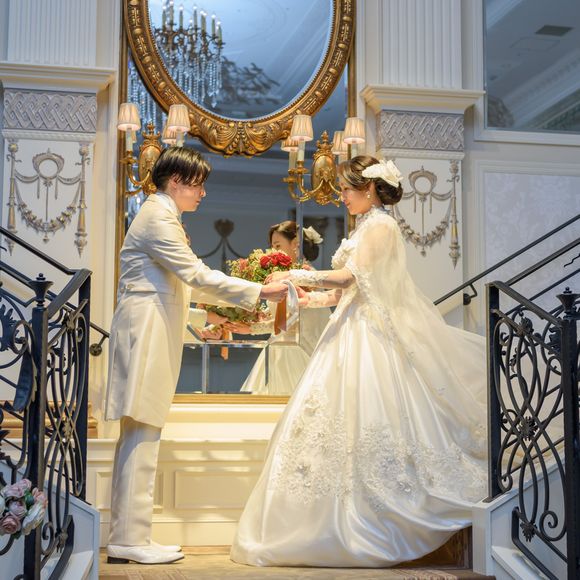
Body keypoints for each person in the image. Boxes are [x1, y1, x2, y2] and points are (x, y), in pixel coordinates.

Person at [230, 156, 488, 567]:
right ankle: (320, 523)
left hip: (369, 334)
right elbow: (344, 294)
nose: (343, 197)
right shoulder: (365, 227)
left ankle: (369, 520)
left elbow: (349, 278)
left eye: (348, 189)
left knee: (369, 416)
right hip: (349, 325)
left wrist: (294, 276)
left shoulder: (382, 226)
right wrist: (308, 299)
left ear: (368, 189)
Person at [104, 146, 288, 565]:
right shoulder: (158, 217)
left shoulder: (161, 215)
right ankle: (129, 538)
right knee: (142, 430)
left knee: (143, 431)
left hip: (151, 325)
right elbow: (196, 274)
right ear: (176, 181)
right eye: (198, 185)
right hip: (146, 330)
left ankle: (131, 535)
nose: (202, 193)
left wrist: (215, 315)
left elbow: (177, 285)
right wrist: (261, 290)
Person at [238, 221, 331, 395]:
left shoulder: (306, 275)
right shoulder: (282, 275)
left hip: (294, 348)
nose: (273, 251)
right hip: (278, 346)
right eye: (272, 246)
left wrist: (252, 329)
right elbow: (279, 313)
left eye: (277, 246)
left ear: (295, 244)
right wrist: (256, 317)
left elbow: (292, 321)